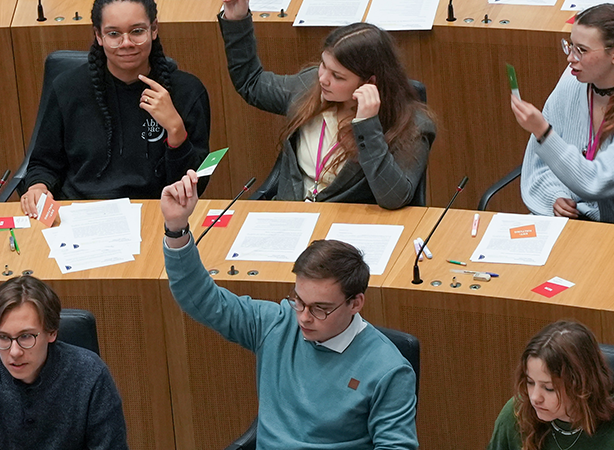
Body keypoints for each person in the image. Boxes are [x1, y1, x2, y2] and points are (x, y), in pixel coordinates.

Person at [160, 170, 418, 449]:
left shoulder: (389, 370)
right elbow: (201, 299)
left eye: (321, 308)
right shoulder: (277, 324)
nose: (304, 317)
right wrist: (177, 229)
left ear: (355, 303)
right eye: (299, 300)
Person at [218, 0, 435, 209]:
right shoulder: (309, 88)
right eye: (323, 65)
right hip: (290, 216)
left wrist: (368, 126)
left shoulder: (412, 126)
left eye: (338, 77)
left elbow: (394, 198)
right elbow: (252, 84)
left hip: (346, 231)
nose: (323, 78)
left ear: (369, 82)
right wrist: (236, 19)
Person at [21, 0, 210, 218]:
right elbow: (43, 163)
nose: (127, 43)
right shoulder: (68, 88)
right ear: (99, 36)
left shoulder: (187, 92)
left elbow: (196, 184)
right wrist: (37, 187)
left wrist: (176, 131)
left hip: (158, 215)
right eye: (113, 34)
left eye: (137, 31)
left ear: (154, 29)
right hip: (80, 214)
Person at [512, 3, 614, 227]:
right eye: (570, 46)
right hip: (567, 221)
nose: (570, 58)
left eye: (582, 50)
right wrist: (555, 197)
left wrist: (543, 132)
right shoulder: (569, 87)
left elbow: (598, 182)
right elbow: (539, 166)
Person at [486, 320, 614, 450]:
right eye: (530, 382)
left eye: (549, 388)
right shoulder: (516, 413)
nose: (534, 397)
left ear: (581, 386)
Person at [0, 276, 128, 450]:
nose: (14, 352)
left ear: (51, 333)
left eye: (26, 336)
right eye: (3, 337)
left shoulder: (89, 376)